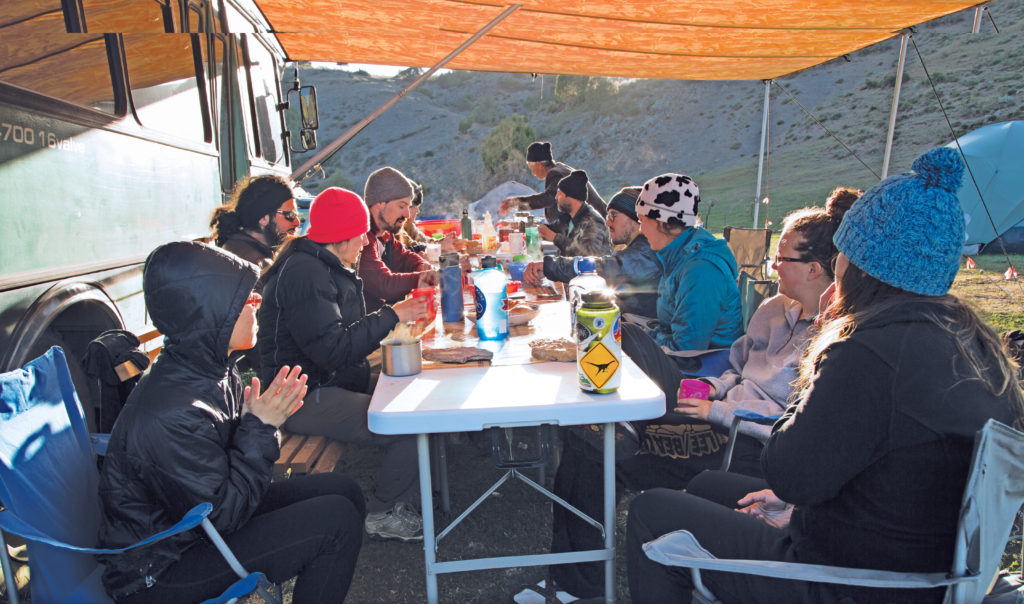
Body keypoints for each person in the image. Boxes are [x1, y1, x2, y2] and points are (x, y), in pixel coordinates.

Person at [626, 147, 1024, 604]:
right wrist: (797, 509)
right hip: (918, 565)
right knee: (706, 486)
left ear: (856, 265)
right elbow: (885, 470)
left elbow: (790, 472)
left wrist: (822, 346)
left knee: (652, 510)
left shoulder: (869, 351)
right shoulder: (973, 345)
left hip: (850, 579)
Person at [544, 189, 854, 600]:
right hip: (713, 407)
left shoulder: (833, 341)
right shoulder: (775, 310)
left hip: (740, 440)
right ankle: (574, 583)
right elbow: (737, 365)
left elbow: (791, 420)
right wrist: (713, 387)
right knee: (589, 443)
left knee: (594, 443)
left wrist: (719, 408)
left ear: (816, 269)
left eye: (783, 259)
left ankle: (576, 586)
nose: (773, 266)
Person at [98, 241, 365, 603]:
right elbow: (222, 514)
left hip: (197, 527)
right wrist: (260, 426)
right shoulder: (172, 411)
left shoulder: (208, 368)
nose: (256, 303)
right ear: (211, 315)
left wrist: (254, 420)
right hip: (160, 569)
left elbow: (216, 489)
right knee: (335, 522)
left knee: (343, 490)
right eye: (244, 300)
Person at [258, 187, 430, 542]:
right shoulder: (306, 274)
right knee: (408, 423)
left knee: (413, 390)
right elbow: (333, 349)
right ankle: (384, 512)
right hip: (298, 396)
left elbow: (338, 338)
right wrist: (392, 315)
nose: (366, 245)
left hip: (322, 380)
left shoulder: (321, 265)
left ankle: (410, 491)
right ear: (343, 237)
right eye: (361, 237)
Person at [524, 186, 660, 317]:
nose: (608, 223)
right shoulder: (642, 246)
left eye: (613, 216)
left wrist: (551, 266)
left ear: (637, 219)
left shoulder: (647, 252)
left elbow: (606, 267)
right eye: (608, 216)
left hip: (642, 329)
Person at [358, 167, 438, 313]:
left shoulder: (384, 233)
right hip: (364, 327)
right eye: (402, 206)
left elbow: (404, 257)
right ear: (380, 203)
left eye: (408, 206)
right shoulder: (361, 238)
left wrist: (421, 265)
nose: (407, 214)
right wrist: (431, 277)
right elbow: (385, 285)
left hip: (380, 321)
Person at [498, 141, 607, 234]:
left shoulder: (555, 173)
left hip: (595, 228)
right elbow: (556, 217)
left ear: (539, 164)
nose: (532, 172)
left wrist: (516, 202)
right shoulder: (560, 169)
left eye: (531, 167)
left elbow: (549, 198)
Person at [209, 174, 301, 271]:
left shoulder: (234, 246)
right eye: (290, 215)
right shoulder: (259, 266)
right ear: (264, 218)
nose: (297, 223)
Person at [537, 169, 613, 257]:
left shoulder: (593, 221)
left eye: (560, 194)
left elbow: (588, 253)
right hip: (569, 267)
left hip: (594, 270)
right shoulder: (567, 216)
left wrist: (556, 238)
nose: (556, 197)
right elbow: (551, 229)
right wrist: (528, 226)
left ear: (571, 197)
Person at [400, 181, 431, 253]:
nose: (418, 211)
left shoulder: (408, 225)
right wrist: (440, 246)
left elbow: (422, 240)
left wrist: (442, 242)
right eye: (415, 207)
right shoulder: (396, 228)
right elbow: (410, 247)